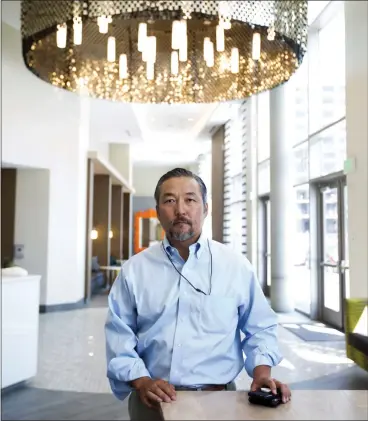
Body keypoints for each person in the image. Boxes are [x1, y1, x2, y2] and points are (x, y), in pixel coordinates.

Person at [105, 168, 291, 421]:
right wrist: (141, 380)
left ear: (205, 208)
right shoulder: (134, 271)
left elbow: (260, 327)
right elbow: (119, 335)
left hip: (221, 403)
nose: (180, 209)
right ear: (158, 210)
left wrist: (261, 373)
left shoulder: (235, 266)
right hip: (152, 403)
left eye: (190, 199)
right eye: (170, 200)